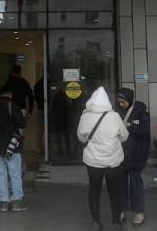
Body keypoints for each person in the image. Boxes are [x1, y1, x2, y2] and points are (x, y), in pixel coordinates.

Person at [77, 87, 129, 231]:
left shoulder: (85, 116)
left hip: (93, 161)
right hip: (113, 161)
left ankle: (96, 222)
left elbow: (81, 138)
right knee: (115, 191)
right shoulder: (115, 116)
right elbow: (125, 136)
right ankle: (116, 222)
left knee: (94, 191)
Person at [0, 85, 28, 213]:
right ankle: (16, 202)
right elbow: (22, 123)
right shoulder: (11, 105)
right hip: (11, 146)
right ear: (10, 94)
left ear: (0, 93)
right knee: (15, 173)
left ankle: (4, 202)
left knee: (0, 173)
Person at [116, 88, 150, 226]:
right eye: (119, 102)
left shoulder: (141, 113)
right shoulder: (117, 112)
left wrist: (130, 127)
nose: (121, 104)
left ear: (130, 100)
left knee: (135, 184)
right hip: (121, 154)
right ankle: (121, 211)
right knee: (121, 185)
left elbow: (146, 132)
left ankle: (138, 213)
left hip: (137, 155)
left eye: (123, 102)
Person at [52, 88, 75, 157]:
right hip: (65, 120)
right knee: (66, 136)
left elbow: (53, 110)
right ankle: (68, 151)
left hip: (59, 120)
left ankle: (60, 150)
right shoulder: (66, 100)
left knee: (59, 136)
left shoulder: (55, 100)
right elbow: (70, 109)